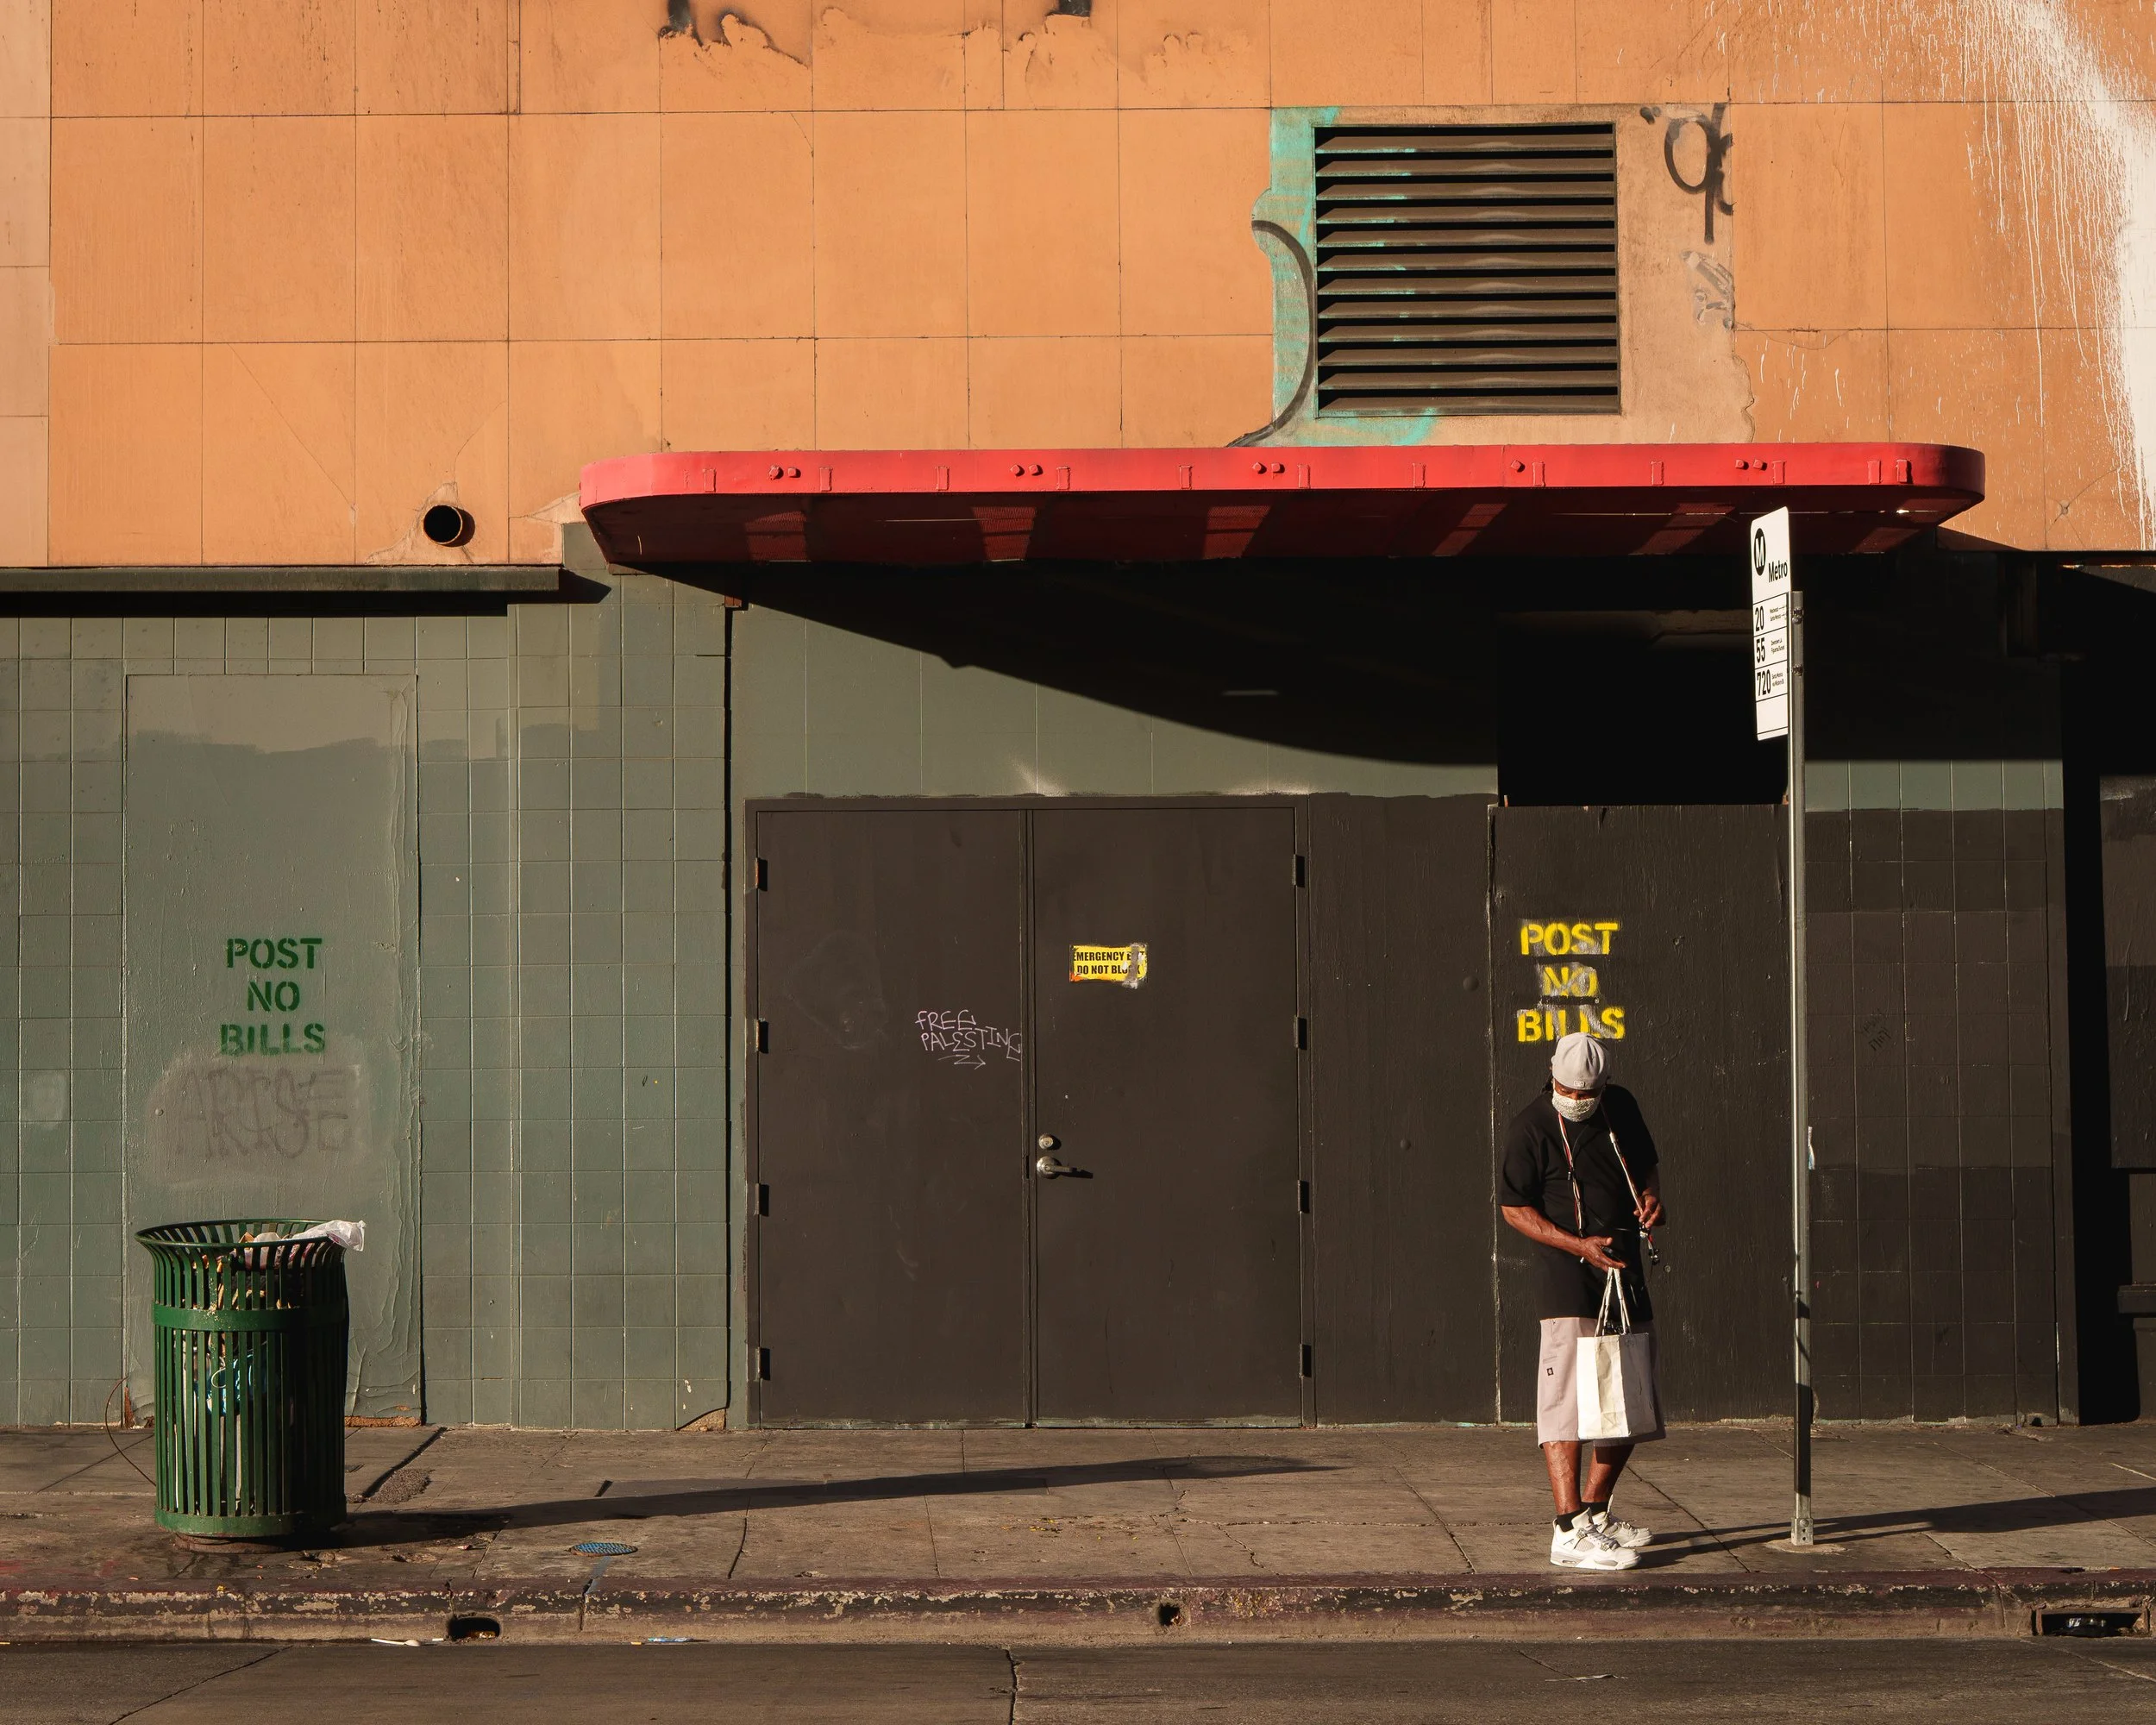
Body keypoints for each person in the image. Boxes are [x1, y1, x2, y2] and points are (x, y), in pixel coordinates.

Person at [1499, 1032, 1666, 1571]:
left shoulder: (1621, 1108)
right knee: (1565, 1402)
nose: (1578, 1100)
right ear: (1553, 1078)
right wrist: (1577, 1246)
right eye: (1569, 1091)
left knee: (1628, 1397)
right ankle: (1568, 1527)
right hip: (1568, 1277)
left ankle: (1595, 1511)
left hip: (1624, 1272)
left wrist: (1651, 1197)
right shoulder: (1531, 1125)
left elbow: (1647, 1167)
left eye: (1588, 1093)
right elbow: (1513, 1208)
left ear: (1605, 1086)